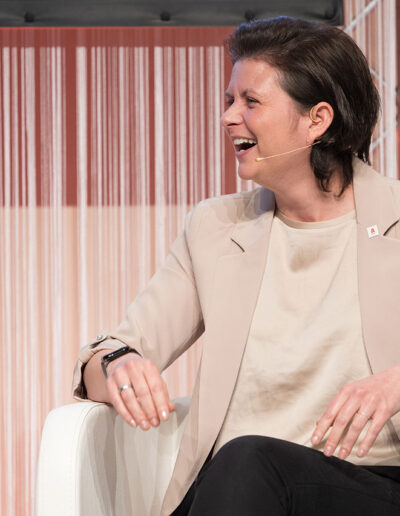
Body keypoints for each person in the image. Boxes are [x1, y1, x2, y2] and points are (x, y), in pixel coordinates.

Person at [73, 16, 400, 515]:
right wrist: (119, 364)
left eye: (251, 102)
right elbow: (106, 355)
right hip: (237, 489)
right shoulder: (215, 228)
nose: (228, 117)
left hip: (368, 486)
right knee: (242, 464)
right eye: (229, 100)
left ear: (317, 120)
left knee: (248, 460)